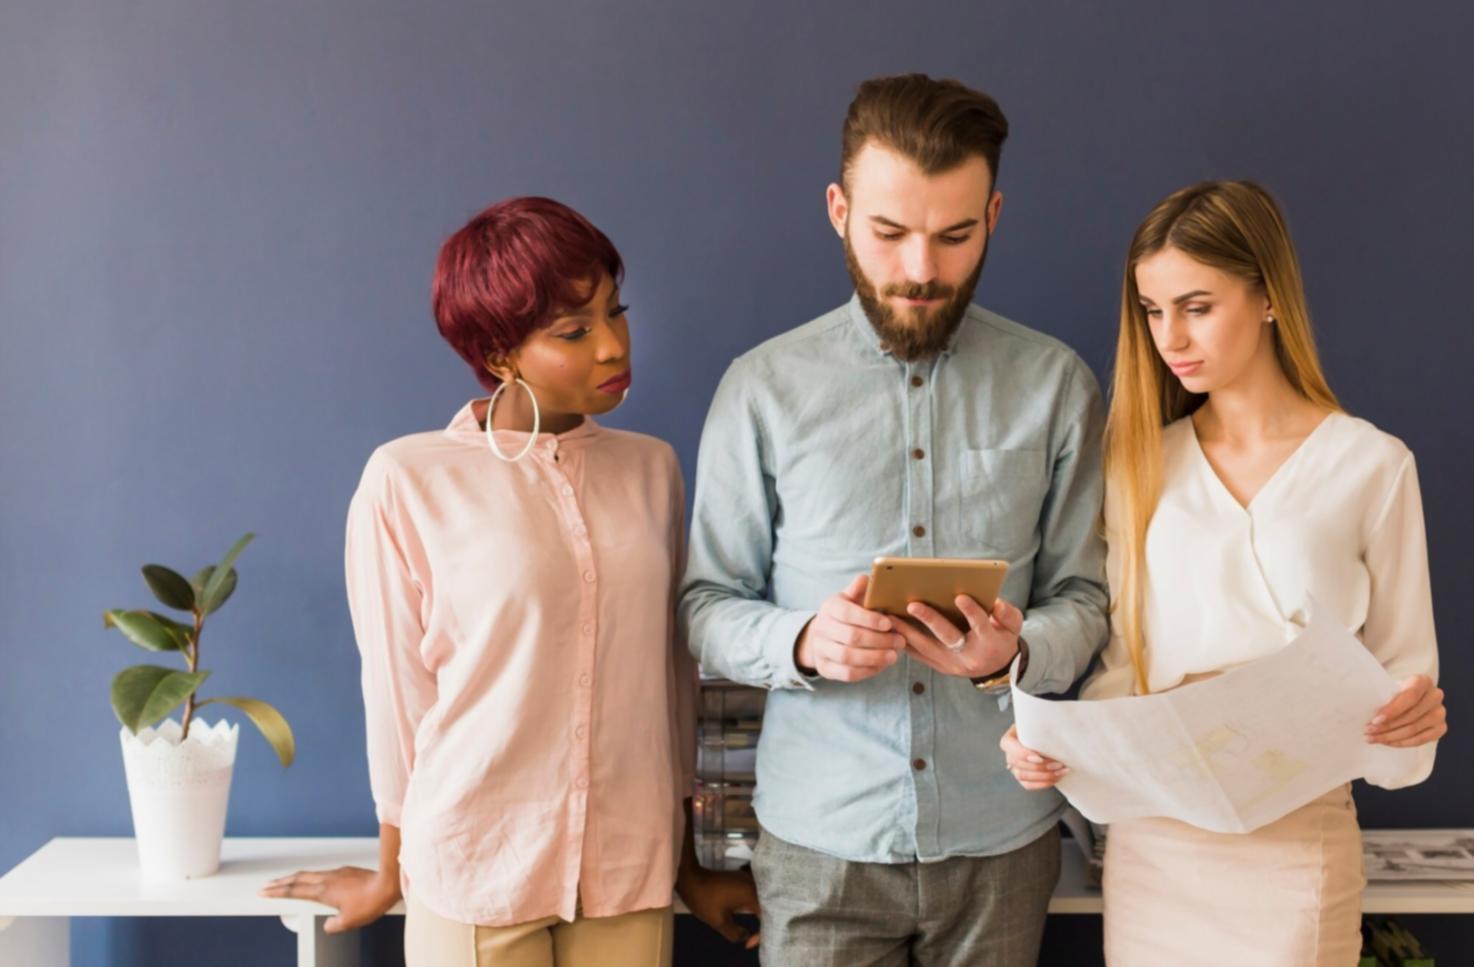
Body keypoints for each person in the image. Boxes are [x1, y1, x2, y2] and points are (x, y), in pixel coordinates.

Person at [680, 74, 1109, 965]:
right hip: (818, 845)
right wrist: (803, 641)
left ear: (993, 216)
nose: (921, 269)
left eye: (954, 235)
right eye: (889, 232)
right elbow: (705, 606)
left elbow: (1087, 597)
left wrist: (1017, 651)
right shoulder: (761, 389)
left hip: (1003, 840)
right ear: (838, 211)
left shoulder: (1058, 385)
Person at [261, 196, 758, 966]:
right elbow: (397, 696)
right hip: (475, 866)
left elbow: (671, 679)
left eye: (615, 311)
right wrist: (391, 870)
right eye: (574, 331)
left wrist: (691, 863)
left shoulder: (651, 469)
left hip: (629, 868)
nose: (613, 345)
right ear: (499, 354)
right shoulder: (407, 479)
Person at [1001, 180, 1446, 965]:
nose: (1170, 336)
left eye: (1197, 306)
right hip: (1154, 847)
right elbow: (1120, 672)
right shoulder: (1135, 464)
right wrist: (1052, 748)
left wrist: (1411, 716)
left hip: (1297, 844)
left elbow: (1405, 676)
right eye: (1152, 310)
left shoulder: (1372, 465)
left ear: (1269, 296)